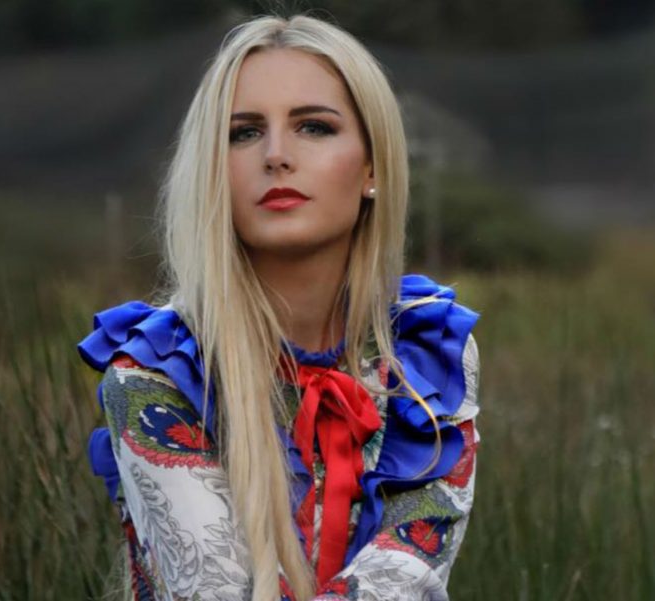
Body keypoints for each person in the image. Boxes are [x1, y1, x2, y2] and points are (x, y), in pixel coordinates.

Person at [77, 13, 480, 601]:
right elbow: (213, 590)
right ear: (213, 170)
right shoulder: (156, 374)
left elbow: (408, 574)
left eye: (313, 127)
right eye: (244, 133)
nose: (276, 155)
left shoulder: (429, 354)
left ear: (372, 168)